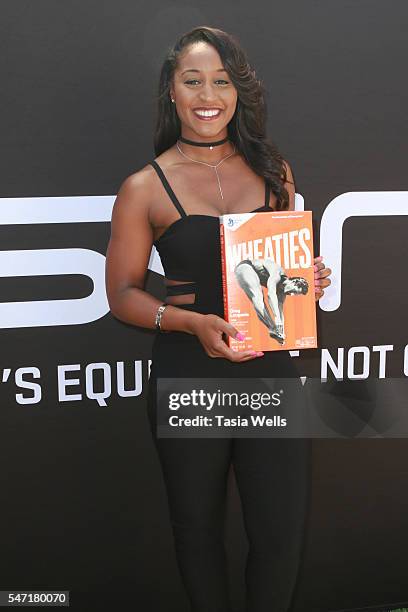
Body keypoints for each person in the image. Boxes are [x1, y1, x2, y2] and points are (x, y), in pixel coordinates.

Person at [105, 26, 331, 612]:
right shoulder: (143, 187)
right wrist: (190, 324)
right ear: (172, 94)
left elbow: (283, 274)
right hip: (188, 378)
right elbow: (123, 294)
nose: (209, 94)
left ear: (239, 92)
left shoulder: (275, 171)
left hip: (271, 376)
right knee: (197, 533)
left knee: (280, 535)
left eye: (222, 81)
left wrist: (306, 279)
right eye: (193, 80)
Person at [234, 258, 309, 344]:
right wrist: (277, 319)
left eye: (294, 294)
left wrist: (281, 331)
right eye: (293, 291)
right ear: (294, 282)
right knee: (258, 295)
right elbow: (271, 294)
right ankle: (273, 328)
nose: (291, 294)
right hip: (245, 267)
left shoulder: (282, 292)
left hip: (252, 275)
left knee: (263, 305)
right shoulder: (277, 274)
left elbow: (280, 311)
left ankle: (274, 331)